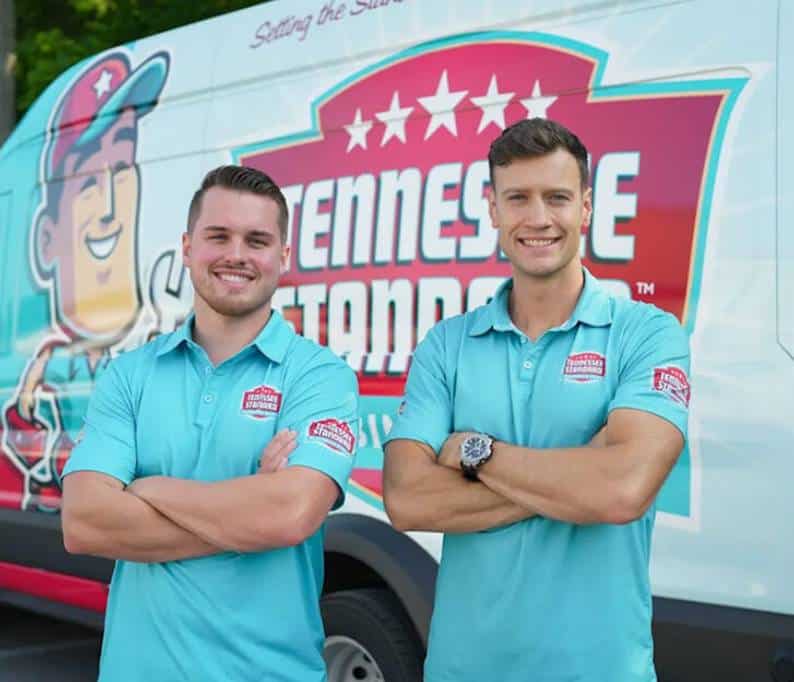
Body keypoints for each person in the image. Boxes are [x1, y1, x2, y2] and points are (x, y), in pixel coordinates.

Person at [383, 118, 690, 682]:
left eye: (557, 198)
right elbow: (405, 500)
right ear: (493, 209)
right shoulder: (447, 344)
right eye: (518, 198)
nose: (539, 218)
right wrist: (580, 476)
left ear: (587, 207)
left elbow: (622, 492)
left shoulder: (646, 333)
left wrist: (476, 453)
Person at [61, 165, 359, 682]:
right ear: (187, 246)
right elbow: (84, 523)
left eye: (257, 240)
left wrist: (146, 489)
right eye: (218, 236)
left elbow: (288, 515)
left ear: (283, 257)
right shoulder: (131, 375)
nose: (236, 255)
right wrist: (247, 510)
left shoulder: (320, 377)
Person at [1, 50, 169, 510]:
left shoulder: (168, 346)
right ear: (45, 241)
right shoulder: (44, 378)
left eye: (121, 173)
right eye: (91, 183)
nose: (112, 211)